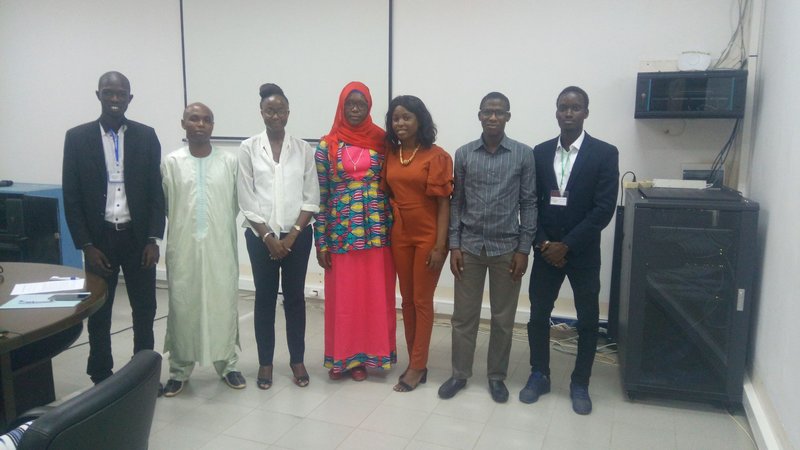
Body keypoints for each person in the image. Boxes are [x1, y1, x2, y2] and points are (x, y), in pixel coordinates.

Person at [519, 86, 619, 415]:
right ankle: (539, 374)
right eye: (563, 107)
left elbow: (603, 209)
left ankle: (580, 382)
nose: (569, 113)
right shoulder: (540, 151)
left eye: (575, 107)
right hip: (546, 250)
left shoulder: (605, 153)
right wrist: (545, 243)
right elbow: (532, 201)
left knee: (589, 320)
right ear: (556, 112)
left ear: (586, 112)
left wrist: (568, 245)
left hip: (583, 253)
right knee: (537, 316)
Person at [62, 71, 165, 384]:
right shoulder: (77, 138)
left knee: (145, 309)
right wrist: (86, 245)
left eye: (121, 94)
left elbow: (155, 193)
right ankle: (101, 375)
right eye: (109, 93)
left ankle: (143, 374)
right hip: (100, 240)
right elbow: (72, 196)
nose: (116, 99)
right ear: (98, 95)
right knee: (99, 312)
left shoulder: (146, 136)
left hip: (137, 239)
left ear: (130, 98)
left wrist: (153, 239)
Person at [438, 91, 536, 403]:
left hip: (506, 248)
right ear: (479, 115)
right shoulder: (464, 154)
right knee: (463, 317)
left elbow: (529, 203)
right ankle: (459, 374)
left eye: (500, 112)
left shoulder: (523, 154)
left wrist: (524, 249)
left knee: (503, 319)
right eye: (487, 112)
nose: (493, 117)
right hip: (469, 248)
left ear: (508, 116)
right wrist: (454, 245)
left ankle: (496, 377)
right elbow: (456, 203)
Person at [160, 102, 245, 397]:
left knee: (223, 303)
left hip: (220, 247)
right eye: (193, 119)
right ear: (183, 123)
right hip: (182, 249)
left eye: (206, 120)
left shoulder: (229, 162)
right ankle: (179, 369)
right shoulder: (171, 162)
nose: (200, 124)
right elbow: (167, 206)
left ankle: (228, 365)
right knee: (183, 306)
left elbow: (237, 203)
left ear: (213, 126)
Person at [238, 83, 319, 390]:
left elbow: (311, 197)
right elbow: (246, 199)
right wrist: (270, 238)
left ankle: (297, 360)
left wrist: (292, 235)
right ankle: (265, 363)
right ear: (262, 112)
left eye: (280, 110)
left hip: (298, 237)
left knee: (296, 299)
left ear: (288, 112)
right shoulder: (247, 148)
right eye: (269, 110)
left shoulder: (303, 149)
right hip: (260, 239)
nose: (275, 115)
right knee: (265, 299)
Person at [315, 81, 396, 381]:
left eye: (360, 104)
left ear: (369, 106)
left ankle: (370, 357)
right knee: (344, 299)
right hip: (341, 232)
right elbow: (321, 196)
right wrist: (320, 241)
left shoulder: (383, 141)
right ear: (341, 106)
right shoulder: (327, 145)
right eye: (350, 103)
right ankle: (344, 359)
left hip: (377, 231)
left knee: (374, 296)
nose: (354, 109)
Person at [382, 95, 452, 392]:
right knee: (407, 301)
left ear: (419, 120)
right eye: (396, 118)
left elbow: (444, 205)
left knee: (422, 302)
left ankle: (418, 365)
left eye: (407, 117)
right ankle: (415, 360)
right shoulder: (391, 155)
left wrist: (440, 246)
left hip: (428, 237)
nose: (400, 123)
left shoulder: (436, 156)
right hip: (400, 235)